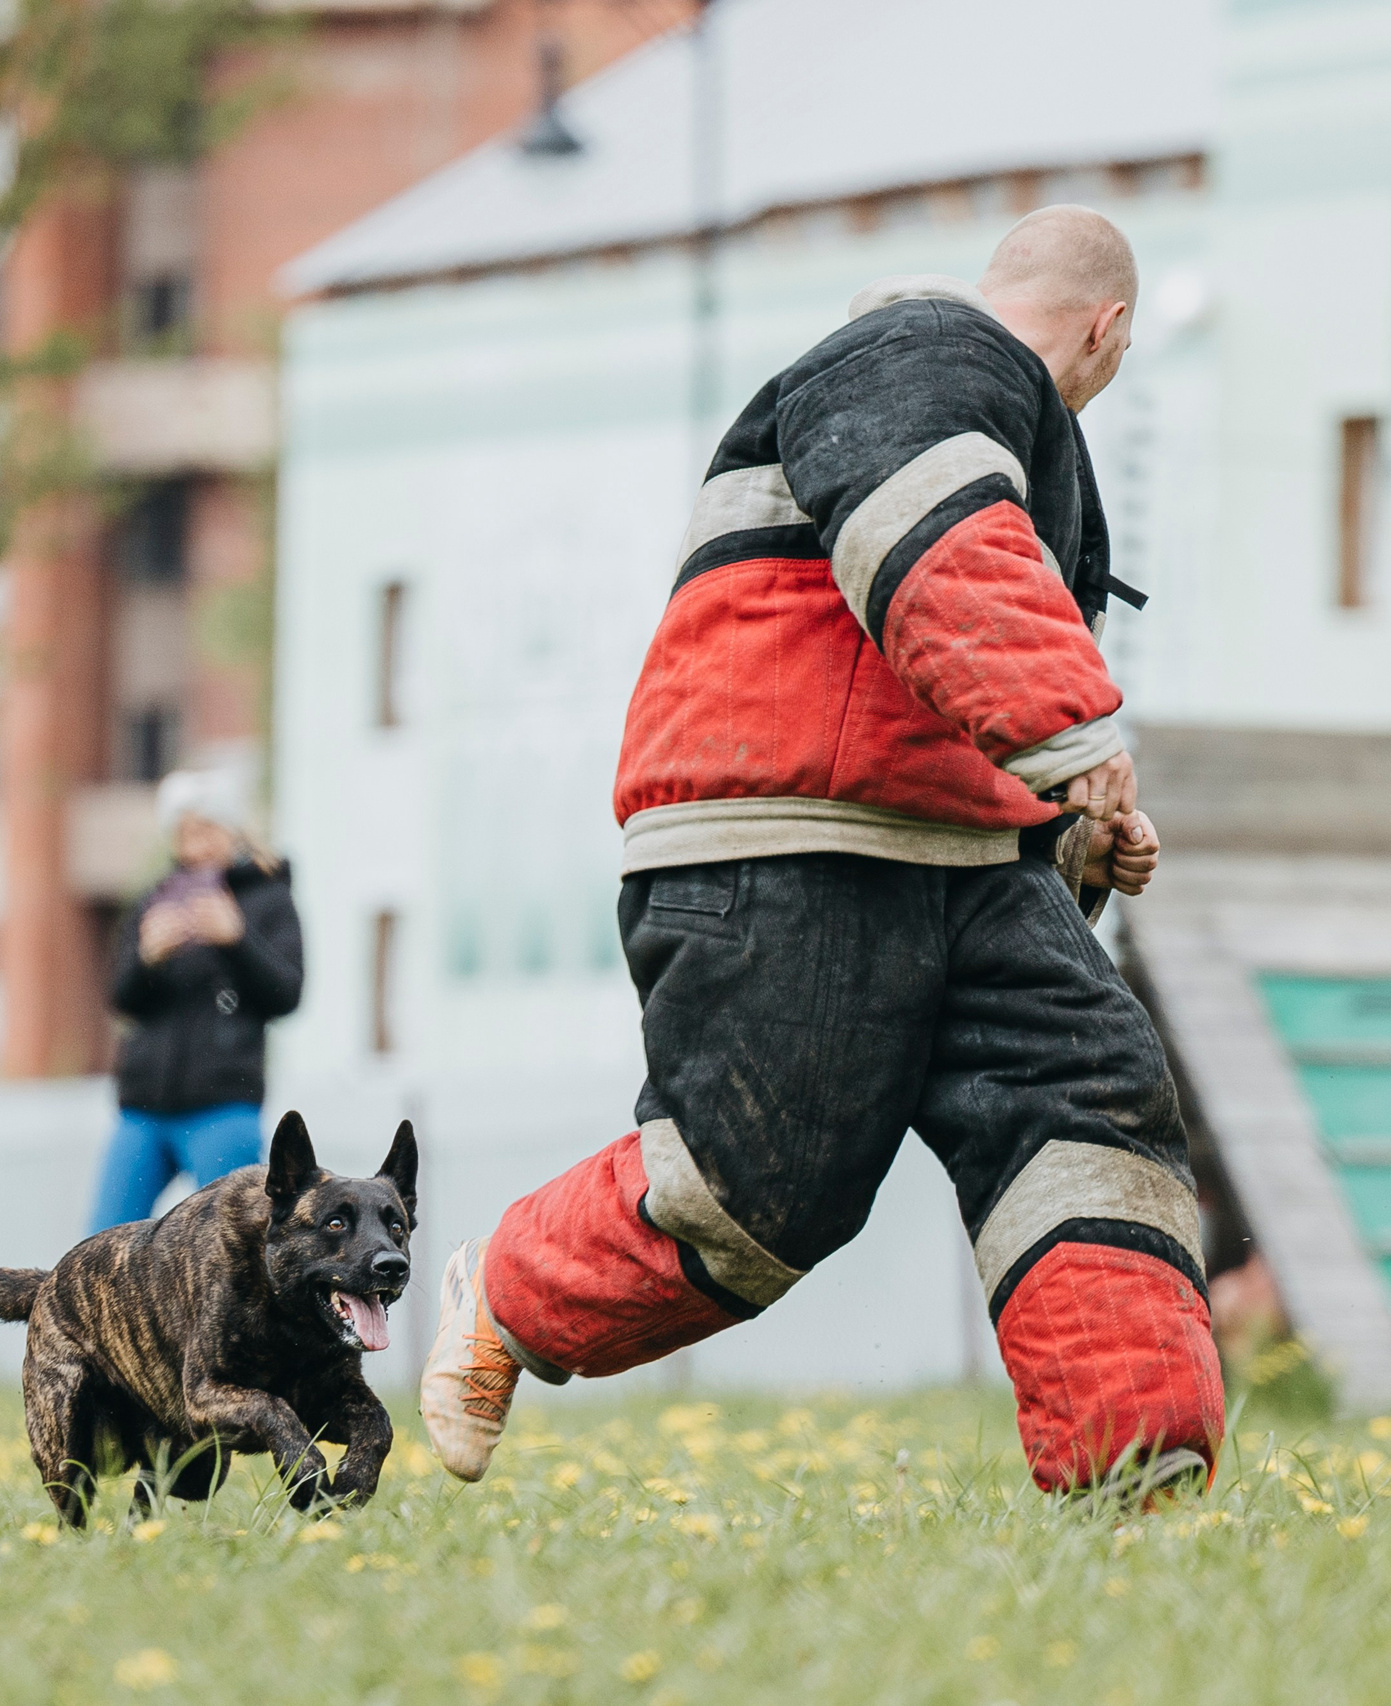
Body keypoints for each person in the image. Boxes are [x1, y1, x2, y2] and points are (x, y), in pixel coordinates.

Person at [420, 207, 1218, 1497]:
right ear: (1107, 329)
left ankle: (1137, 1481)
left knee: (1088, 1115)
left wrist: (1082, 824)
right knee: (756, 1195)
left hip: (966, 863)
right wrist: (1071, 723)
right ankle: (505, 1293)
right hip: (789, 835)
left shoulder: (998, 414)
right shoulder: (922, 352)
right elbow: (934, 538)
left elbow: (949, 671)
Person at [85, 768, 305, 1232]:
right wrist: (147, 958)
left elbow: (287, 993)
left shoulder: (268, 898)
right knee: (102, 1238)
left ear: (233, 831)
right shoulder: (155, 900)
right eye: (185, 833)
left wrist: (236, 939)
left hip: (224, 1104)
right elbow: (120, 999)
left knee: (232, 1242)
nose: (196, 846)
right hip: (144, 1105)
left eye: (207, 830)